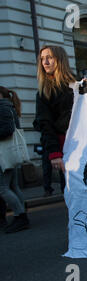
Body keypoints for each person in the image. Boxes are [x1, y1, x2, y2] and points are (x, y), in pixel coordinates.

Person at [36, 45, 76, 188]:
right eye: (42, 59)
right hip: (64, 147)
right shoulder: (44, 92)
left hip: (84, 144)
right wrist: (54, 153)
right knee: (70, 190)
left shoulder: (76, 84)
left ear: (59, 59)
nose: (45, 62)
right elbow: (45, 124)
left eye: (49, 58)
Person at [0, 86, 28, 233]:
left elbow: (7, 130)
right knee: (13, 186)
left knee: (3, 188)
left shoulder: (2, 107)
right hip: (10, 152)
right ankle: (21, 214)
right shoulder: (8, 106)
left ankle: (20, 216)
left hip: (5, 153)